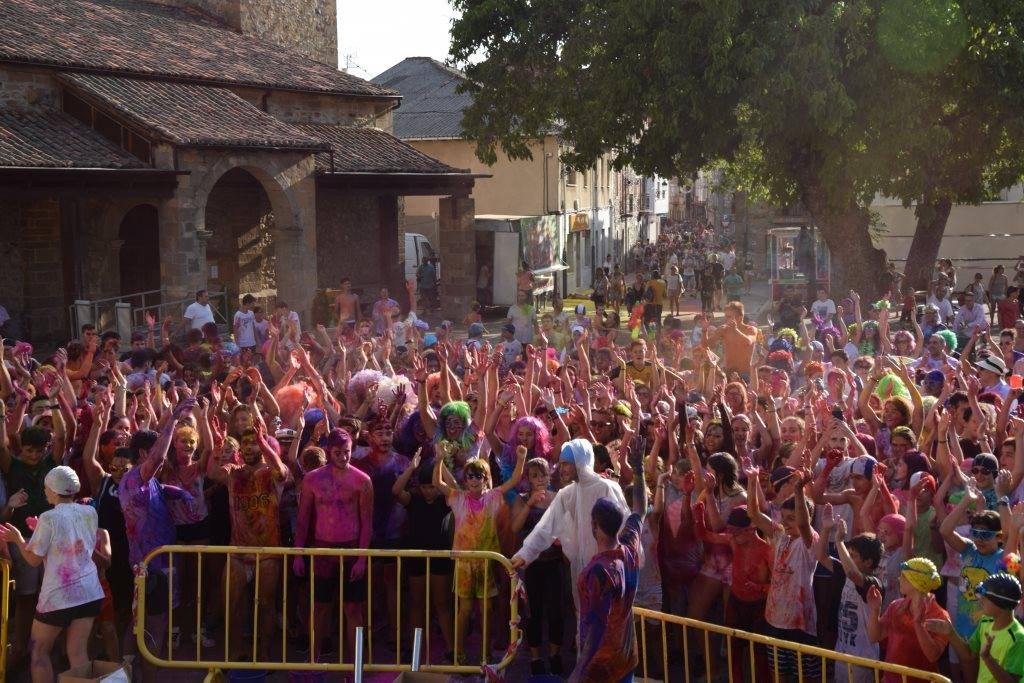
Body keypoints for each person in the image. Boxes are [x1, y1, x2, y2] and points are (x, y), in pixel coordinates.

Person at [0, 466, 105, 683]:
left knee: (39, 652)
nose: (45, 492)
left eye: (46, 488)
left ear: (53, 490)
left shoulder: (49, 518)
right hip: (89, 592)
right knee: (78, 653)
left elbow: (33, 560)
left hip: (58, 596)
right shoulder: (89, 511)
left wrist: (18, 539)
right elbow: (75, 541)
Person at [511, 439, 628, 613]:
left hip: (608, 569)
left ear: (580, 462)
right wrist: (525, 553)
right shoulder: (567, 494)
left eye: (566, 464)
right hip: (581, 570)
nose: (561, 469)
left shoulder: (607, 488)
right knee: (583, 619)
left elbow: (624, 527)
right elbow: (546, 527)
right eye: (560, 464)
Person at [571, 435, 648, 683]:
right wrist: (637, 470)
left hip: (601, 666)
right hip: (626, 658)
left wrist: (578, 671)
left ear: (595, 526)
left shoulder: (598, 571)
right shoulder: (630, 546)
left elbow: (597, 626)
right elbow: (639, 509)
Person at [292, 428, 372, 662]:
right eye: (338, 453)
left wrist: (362, 558)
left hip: (351, 548)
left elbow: (366, 522)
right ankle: (315, 661)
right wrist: (298, 554)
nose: (343, 457)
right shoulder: (312, 479)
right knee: (320, 608)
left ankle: (354, 666)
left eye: (346, 452)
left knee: (353, 609)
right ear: (329, 451)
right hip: (322, 551)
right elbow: (304, 519)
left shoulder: (362, 480)